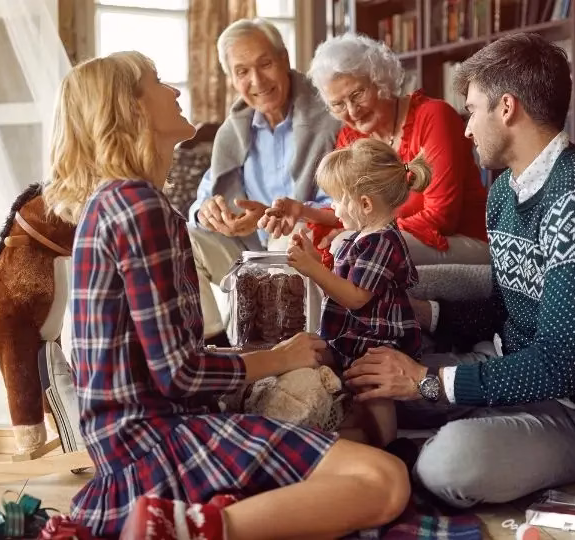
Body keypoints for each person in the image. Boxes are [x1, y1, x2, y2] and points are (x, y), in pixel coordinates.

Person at [42, 51, 409, 537]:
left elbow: (165, 363)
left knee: (343, 456)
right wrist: (280, 357)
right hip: (151, 445)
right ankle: (185, 529)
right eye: (156, 81)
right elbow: (180, 373)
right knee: (385, 480)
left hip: (125, 443)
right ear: (129, 108)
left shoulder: (112, 201)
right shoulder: (138, 206)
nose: (174, 90)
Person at [342, 33, 575, 508]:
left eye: (471, 111)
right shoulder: (505, 192)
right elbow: (504, 307)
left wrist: (425, 381)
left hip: (574, 411)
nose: (465, 130)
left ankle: (421, 458)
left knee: (449, 463)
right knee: (367, 389)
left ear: (506, 108)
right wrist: (426, 313)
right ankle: (420, 448)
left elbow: (562, 365)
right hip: (502, 364)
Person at [262, 33, 490, 266]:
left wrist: (357, 236)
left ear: (379, 79)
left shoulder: (433, 117)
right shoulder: (351, 137)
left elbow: (441, 218)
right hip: (393, 235)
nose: (351, 111)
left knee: (351, 247)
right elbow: (351, 211)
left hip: (459, 241)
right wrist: (302, 211)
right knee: (291, 242)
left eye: (357, 94)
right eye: (338, 104)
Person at [188, 18, 341, 344]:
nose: (256, 80)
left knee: (288, 240)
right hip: (247, 254)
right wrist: (207, 212)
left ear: (285, 60)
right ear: (231, 79)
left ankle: (289, 349)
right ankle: (216, 347)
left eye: (265, 64)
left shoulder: (328, 117)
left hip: (304, 247)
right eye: (242, 71)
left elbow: (346, 200)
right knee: (183, 239)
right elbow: (206, 194)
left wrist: (292, 214)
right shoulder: (234, 130)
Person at [285, 138, 430, 448]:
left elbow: (356, 297)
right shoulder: (359, 238)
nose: (333, 209)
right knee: (341, 379)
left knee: (374, 391)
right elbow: (341, 283)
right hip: (352, 334)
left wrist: (313, 270)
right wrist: (313, 259)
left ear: (365, 204)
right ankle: (350, 431)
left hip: (375, 339)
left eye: (337, 200)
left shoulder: (382, 241)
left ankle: (390, 447)